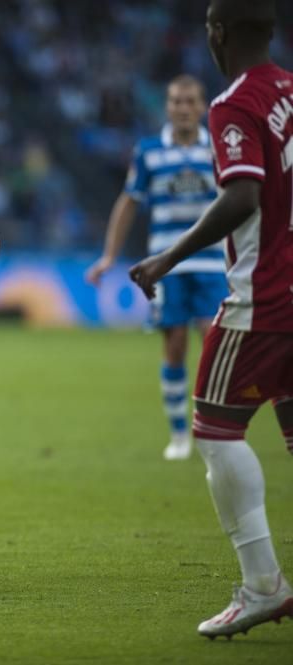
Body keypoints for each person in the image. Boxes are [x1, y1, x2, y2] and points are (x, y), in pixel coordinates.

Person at [130, 0, 293, 639]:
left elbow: (243, 195)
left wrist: (168, 255)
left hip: (263, 300)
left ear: (218, 33)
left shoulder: (236, 104)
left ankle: (262, 586)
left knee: (216, 431)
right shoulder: (289, 92)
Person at [87, 75, 226, 461]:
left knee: (212, 343)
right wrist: (110, 256)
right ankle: (180, 433)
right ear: (167, 107)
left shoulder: (217, 149)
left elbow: (239, 200)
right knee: (175, 343)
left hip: (212, 260)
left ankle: (210, 426)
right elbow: (129, 201)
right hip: (167, 263)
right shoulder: (149, 151)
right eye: (175, 101)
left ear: (202, 107)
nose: (182, 108)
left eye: (189, 102)